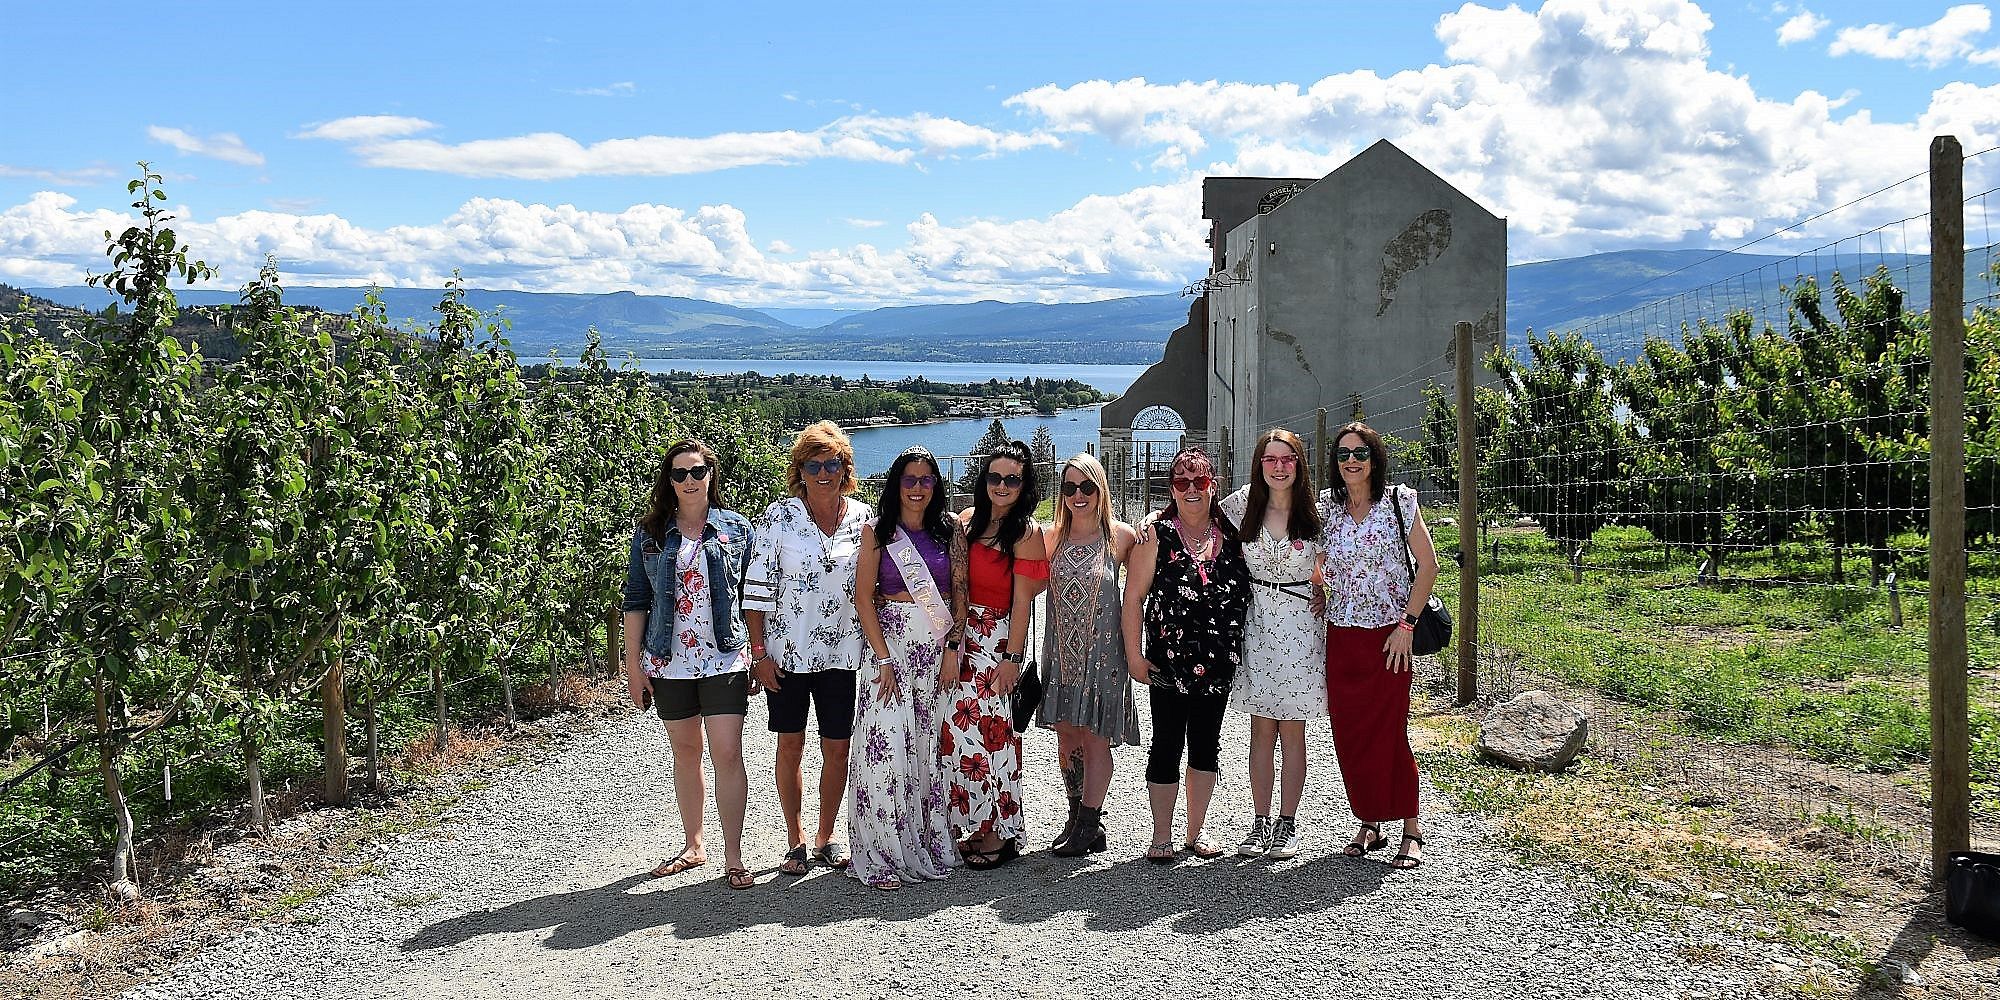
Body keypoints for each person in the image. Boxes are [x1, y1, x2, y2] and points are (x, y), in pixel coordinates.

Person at [620, 439, 758, 891]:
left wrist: (760, 652)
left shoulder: (738, 529)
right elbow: (636, 601)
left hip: (725, 656)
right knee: (686, 752)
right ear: (669, 480)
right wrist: (633, 666)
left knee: (727, 752)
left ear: (710, 475)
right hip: (667, 659)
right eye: (679, 474)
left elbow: (755, 596)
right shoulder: (651, 534)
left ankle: (733, 856)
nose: (689, 481)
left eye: (697, 472)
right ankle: (694, 844)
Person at [745, 421, 873, 875]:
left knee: (838, 748)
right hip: (786, 657)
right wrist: (758, 654)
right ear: (800, 470)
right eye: (813, 465)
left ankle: (826, 835)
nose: (823, 473)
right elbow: (757, 589)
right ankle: (794, 838)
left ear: (845, 468)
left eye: (831, 464)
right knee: (790, 745)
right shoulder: (778, 517)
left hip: (842, 656)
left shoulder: (864, 520)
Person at [1121, 446, 1251, 864]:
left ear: (1213, 485)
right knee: (1166, 745)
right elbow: (1134, 598)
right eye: (1182, 482)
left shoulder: (1232, 531)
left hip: (1218, 662)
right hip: (1168, 661)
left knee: (1206, 745)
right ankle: (1161, 836)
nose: (1191, 489)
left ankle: (1195, 832)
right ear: (1171, 489)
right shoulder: (1155, 534)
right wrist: (1134, 656)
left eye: (1200, 480)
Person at [1320, 421, 1438, 871]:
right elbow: (1276, 511)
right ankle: (1370, 821)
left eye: (1360, 453)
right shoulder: (1327, 509)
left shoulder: (1398, 502)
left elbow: (1427, 566)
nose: (1351, 461)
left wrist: (1406, 624)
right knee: (1349, 734)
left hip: (1391, 636)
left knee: (1390, 730)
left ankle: (1410, 825)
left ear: (1375, 459)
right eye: (1344, 454)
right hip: (1342, 636)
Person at [850, 446, 964, 890]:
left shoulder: (948, 529)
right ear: (896, 483)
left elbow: (959, 592)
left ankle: (923, 841)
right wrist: (882, 658)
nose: (918, 488)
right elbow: (863, 598)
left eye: (927, 480)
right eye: (910, 479)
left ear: (936, 485)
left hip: (933, 653)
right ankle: (879, 851)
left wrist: (953, 647)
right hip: (890, 652)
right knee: (886, 753)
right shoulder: (876, 532)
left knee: (924, 752)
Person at [1218, 429, 1328, 859]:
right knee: (1260, 731)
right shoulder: (1243, 505)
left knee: (1293, 730)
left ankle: (1288, 823)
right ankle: (1260, 821)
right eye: (1270, 459)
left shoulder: (1317, 514)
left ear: (1299, 464)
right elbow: (1196, 514)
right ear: (1259, 464)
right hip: (1258, 623)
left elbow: (1338, 563)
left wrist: (1325, 588)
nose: (1279, 467)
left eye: (1287, 459)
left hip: (1302, 626)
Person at [944, 440, 1049, 869]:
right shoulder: (968, 521)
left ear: (1024, 486)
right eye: (994, 477)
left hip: (996, 641)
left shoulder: (1025, 533)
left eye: (1012, 479)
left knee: (995, 736)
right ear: (982, 479)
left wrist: (1012, 657)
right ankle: (971, 820)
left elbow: (1023, 601)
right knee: (957, 735)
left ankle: (999, 831)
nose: (1001, 485)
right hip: (960, 634)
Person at [1037, 453, 1141, 857]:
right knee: (1066, 736)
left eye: (1087, 487)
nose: (1078, 495)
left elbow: (1144, 584)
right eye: (1069, 488)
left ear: (1101, 490)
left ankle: (1089, 823)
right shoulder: (1050, 539)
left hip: (1103, 659)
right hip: (1061, 655)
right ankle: (1076, 815)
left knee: (1096, 741)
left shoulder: (1122, 537)